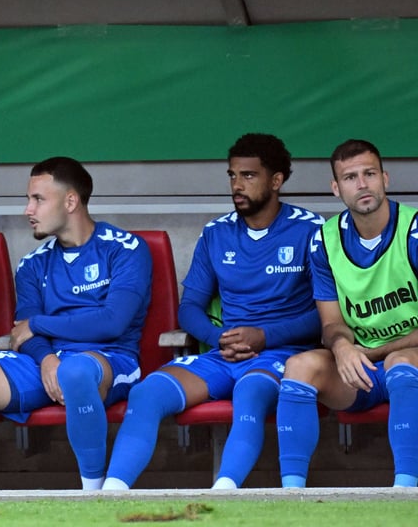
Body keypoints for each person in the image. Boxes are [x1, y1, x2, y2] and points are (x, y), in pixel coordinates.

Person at [103, 133, 324, 490]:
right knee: (146, 392)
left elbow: (325, 316)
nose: (237, 185)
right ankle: (107, 496)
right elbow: (189, 307)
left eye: (249, 176)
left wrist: (265, 336)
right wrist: (216, 337)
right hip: (225, 353)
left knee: (250, 392)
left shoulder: (312, 231)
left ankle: (224, 494)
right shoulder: (216, 233)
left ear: (277, 180)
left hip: (283, 354)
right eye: (232, 175)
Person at [0, 157, 152, 491]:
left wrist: (38, 324)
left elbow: (112, 322)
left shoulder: (125, 248)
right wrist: (48, 358)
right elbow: (23, 334)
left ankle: (92, 492)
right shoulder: (32, 264)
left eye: (38, 199)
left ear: (70, 201)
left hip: (109, 360)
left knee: (75, 371)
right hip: (46, 366)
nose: (27, 209)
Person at [277, 139, 418, 488]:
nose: (362, 184)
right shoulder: (324, 240)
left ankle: (406, 488)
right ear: (336, 188)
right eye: (351, 177)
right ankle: (289, 496)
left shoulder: (413, 231)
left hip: (407, 359)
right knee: (300, 366)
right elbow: (331, 323)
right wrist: (342, 348)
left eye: (369, 173)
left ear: (385, 178)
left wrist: (368, 352)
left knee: (401, 362)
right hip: (361, 370)